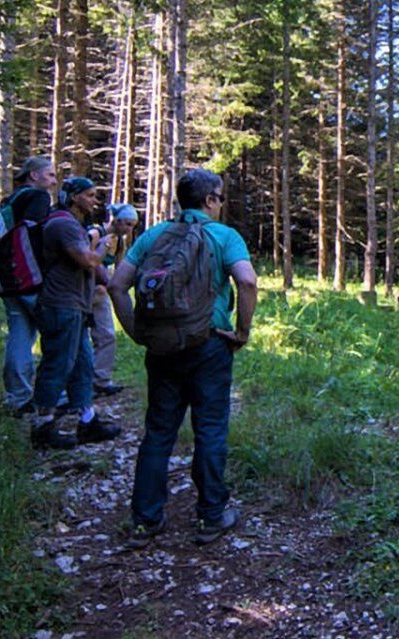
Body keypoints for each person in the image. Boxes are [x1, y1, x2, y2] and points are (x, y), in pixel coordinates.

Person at [108, 169, 257, 548]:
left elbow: (117, 285)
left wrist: (136, 332)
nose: (221, 203)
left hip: (161, 347)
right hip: (209, 344)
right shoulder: (224, 236)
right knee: (209, 428)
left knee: (159, 432)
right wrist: (241, 332)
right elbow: (247, 281)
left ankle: (145, 520)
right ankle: (211, 516)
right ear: (209, 200)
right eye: (220, 197)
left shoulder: (153, 235)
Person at [30, 177, 122, 450]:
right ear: (73, 197)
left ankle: (88, 421)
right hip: (60, 305)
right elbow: (87, 260)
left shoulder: (72, 225)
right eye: (90, 195)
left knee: (83, 364)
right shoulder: (63, 224)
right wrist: (105, 245)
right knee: (57, 365)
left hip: (76, 307)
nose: (95, 200)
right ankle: (42, 428)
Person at [1, 156, 57, 416]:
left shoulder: (9, 201)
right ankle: (57, 394)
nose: (54, 181)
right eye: (50, 175)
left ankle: (18, 397)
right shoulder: (38, 198)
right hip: (31, 277)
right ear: (33, 175)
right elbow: (38, 237)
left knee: (19, 335)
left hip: (8, 277)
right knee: (59, 333)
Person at [88, 203, 138, 397]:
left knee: (107, 335)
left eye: (132, 225)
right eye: (126, 223)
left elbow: (119, 268)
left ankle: (100, 379)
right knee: (80, 340)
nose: (128, 229)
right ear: (116, 220)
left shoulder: (120, 243)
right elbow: (88, 261)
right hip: (85, 293)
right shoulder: (96, 234)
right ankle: (78, 383)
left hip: (102, 294)